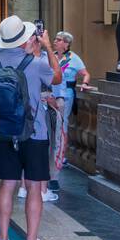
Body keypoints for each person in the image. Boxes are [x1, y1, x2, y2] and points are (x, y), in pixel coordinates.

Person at [0, 15, 61, 240]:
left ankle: (4, 239)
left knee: (7, 185)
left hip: (3, 132)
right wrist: (47, 47)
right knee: (33, 188)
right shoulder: (36, 63)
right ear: (25, 39)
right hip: (34, 131)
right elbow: (57, 78)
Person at [46, 31, 90, 198]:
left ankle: (58, 163)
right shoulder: (48, 56)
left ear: (66, 44)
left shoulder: (74, 58)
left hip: (65, 97)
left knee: (61, 129)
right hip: (49, 96)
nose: (56, 42)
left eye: (59, 40)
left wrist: (85, 83)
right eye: (55, 39)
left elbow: (85, 73)